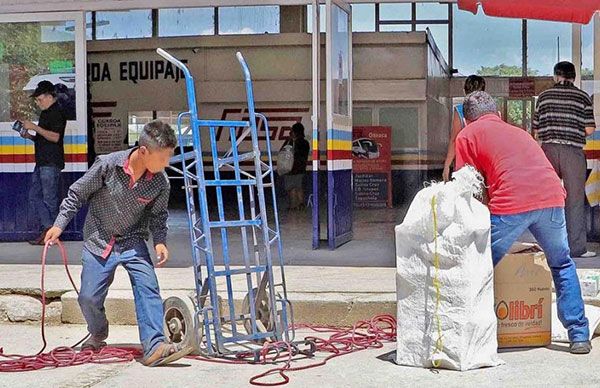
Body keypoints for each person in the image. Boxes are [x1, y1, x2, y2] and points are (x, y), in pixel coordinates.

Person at [44, 120, 192, 366]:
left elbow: (158, 216)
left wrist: (160, 242)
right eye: (163, 157)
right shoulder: (107, 165)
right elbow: (76, 194)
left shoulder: (160, 182)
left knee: (148, 288)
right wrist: (59, 225)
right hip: (99, 239)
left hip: (133, 241)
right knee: (88, 298)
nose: (167, 163)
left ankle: (154, 345)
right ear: (144, 151)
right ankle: (98, 333)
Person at [455, 91, 591, 354]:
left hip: (511, 204)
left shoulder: (467, 135)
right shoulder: (518, 132)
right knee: (562, 263)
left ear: (467, 119)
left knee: (478, 265)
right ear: (497, 113)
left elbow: (466, 186)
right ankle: (579, 335)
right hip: (551, 198)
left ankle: (464, 333)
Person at [532, 61, 597, 259]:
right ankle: (577, 249)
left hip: (548, 151)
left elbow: (535, 130)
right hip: (573, 152)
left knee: (547, 199)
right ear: (574, 76)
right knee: (574, 200)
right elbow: (589, 129)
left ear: (555, 76)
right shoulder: (582, 97)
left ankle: (547, 245)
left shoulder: (543, 97)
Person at [21, 81, 67, 245]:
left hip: (51, 162)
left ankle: (53, 234)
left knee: (49, 199)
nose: (38, 102)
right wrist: (30, 136)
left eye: (40, 99)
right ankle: (48, 229)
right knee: (35, 196)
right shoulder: (45, 113)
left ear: (49, 96)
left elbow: (55, 137)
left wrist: (34, 127)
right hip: (41, 162)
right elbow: (44, 139)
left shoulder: (57, 112)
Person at [443, 75, 486, 182]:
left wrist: (447, 165)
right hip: (485, 163)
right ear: (483, 92)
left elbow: (454, 140)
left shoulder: (460, 110)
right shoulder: (490, 111)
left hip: (465, 166)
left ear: (465, 91)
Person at [281, 122, 310, 210]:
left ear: (294, 132)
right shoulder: (305, 143)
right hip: (301, 168)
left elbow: (283, 152)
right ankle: (301, 205)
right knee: (299, 187)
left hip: (291, 168)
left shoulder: (292, 142)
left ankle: (293, 206)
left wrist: (289, 140)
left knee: (292, 188)